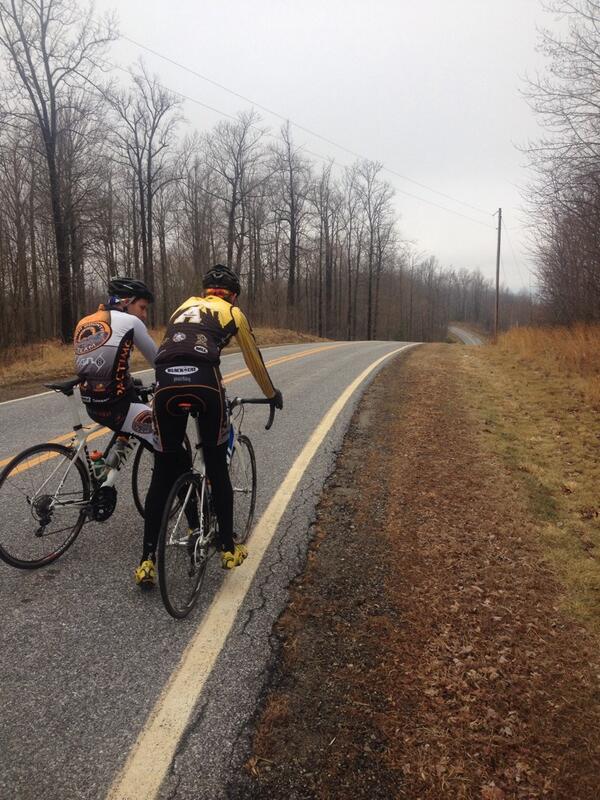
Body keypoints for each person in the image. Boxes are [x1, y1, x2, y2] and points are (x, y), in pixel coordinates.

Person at [137, 264, 283, 588]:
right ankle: (229, 550)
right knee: (216, 465)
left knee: (163, 471)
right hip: (204, 384)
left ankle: (146, 560)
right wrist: (271, 394)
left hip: (164, 385)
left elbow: (170, 349)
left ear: (205, 291)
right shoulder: (233, 312)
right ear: (233, 294)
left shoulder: (182, 308)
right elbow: (253, 359)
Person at [74, 277, 157, 461]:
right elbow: (159, 362)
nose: (144, 315)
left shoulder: (85, 322)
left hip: (91, 405)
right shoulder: (131, 322)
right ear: (126, 302)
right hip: (117, 408)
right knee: (168, 441)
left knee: (132, 387)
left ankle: (106, 476)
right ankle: (182, 487)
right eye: (142, 307)